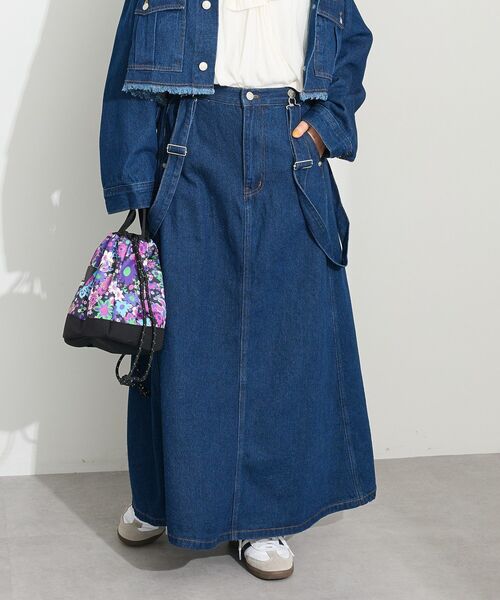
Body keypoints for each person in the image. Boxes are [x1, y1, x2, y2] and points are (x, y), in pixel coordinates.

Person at [100, 0, 376, 581]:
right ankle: (160, 498)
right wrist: (135, 184)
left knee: (283, 341)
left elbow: (352, 40)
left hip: (289, 148)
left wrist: (324, 129)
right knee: (178, 341)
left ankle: (263, 517)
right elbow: (129, 71)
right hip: (191, 146)